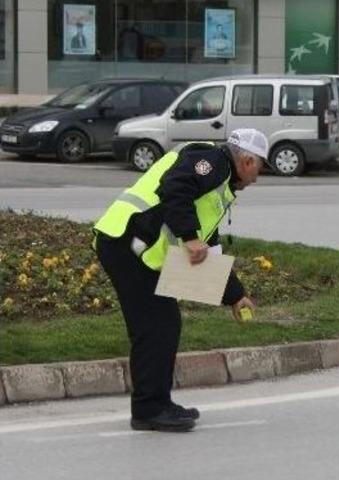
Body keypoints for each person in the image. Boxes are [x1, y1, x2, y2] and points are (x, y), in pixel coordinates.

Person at [93, 129, 268, 432]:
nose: (258, 179)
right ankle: (149, 409)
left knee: (163, 324)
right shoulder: (212, 163)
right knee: (156, 326)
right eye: (260, 168)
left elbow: (206, 247)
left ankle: (156, 404)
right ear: (248, 161)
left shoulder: (217, 183)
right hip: (126, 244)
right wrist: (189, 237)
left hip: (135, 250)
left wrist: (236, 296)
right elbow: (174, 188)